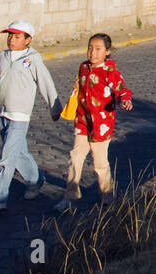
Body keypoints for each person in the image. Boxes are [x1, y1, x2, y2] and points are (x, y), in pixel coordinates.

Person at [0, 20, 62, 217]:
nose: (11, 40)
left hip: (20, 115)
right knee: (19, 153)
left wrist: (55, 106)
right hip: (2, 112)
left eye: (17, 37)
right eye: (10, 36)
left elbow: (45, 83)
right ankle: (35, 179)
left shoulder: (33, 60)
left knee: (7, 158)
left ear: (28, 40)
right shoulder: (2, 57)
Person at [54, 33, 132, 213]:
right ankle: (69, 196)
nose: (92, 53)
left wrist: (125, 100)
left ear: (107, 51)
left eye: (98, 49)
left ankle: (107, 195)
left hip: (101, 125)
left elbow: (121, 89)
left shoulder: (109, 72)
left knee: (100, 163)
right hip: (82, 121)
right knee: (75, 157)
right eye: (90, 48)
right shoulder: (83, 67)